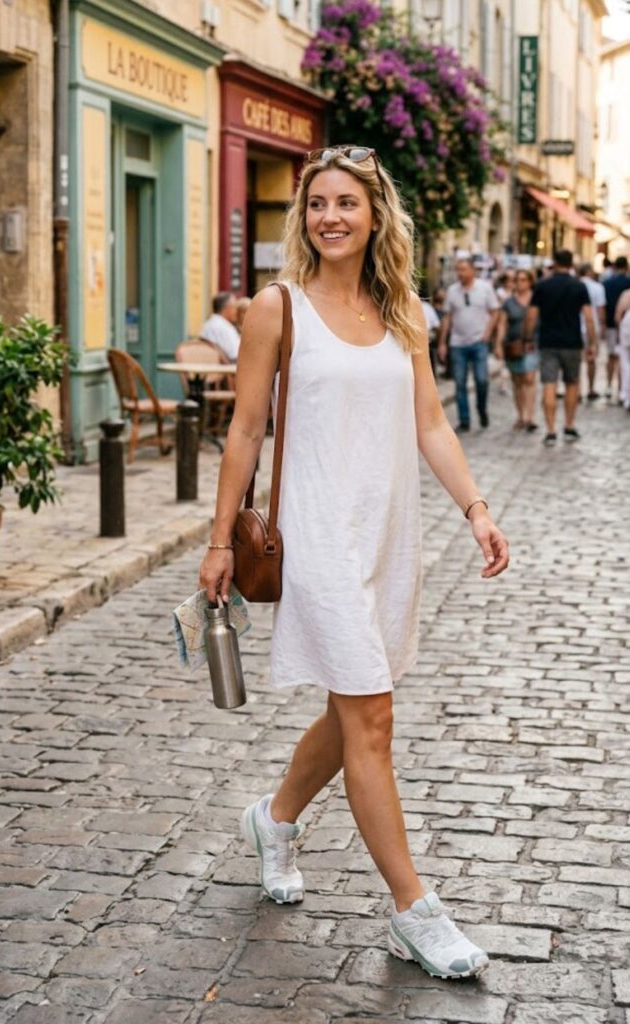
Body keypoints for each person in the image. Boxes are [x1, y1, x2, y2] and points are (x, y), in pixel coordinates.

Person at [199, 145, 509, 982]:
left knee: (353, 710)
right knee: (371, 715)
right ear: (303, 216)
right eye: (316, 204)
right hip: (317, 536)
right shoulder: (277, 307)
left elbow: (432, 426)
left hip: (386, 535)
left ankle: (274, 817)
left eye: (346, 203)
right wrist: (221, 537)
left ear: (375, 215)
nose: (329, 217)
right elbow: (245, 430)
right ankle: (416, 910)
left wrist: (475, 509)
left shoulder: (402, 305)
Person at [523, 250, 596, 446]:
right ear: (571, 263)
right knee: (572, 383)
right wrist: (592, 343)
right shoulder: (579, 286)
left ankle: (551, 430)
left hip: (548, 342)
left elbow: (531, 315)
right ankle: (569, 426)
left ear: (554, 263)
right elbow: (588, 317)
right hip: (572, 342)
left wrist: (528, 338)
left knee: (549, 384)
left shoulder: (542, 285)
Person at [437, 258, 500, 431]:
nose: (460, 273)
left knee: (481, 380)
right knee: (459, 383)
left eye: (463, 269)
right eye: (458, 270)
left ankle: (481, 409)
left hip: (479, 341)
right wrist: (443, 343)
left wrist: (488, 333)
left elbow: (495, 312)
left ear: (473, 270)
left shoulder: (485, 288)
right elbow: (447, 317)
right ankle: (464, 419)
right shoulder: (452, 291)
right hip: (458, 343)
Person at [495, 269, 539, 431]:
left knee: (529, 378)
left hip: (532, 344)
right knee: (517, 380)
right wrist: (499, 344)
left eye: (523, 280)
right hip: (513, 346)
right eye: (517, 280)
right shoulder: (508, 302)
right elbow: (502, 324)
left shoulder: (536, 299)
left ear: (530, 282)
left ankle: (530, 416)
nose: (520, 283)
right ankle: (520, 415)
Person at [603, 256, 630, 401]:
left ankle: (608, 386)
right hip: (622, 325)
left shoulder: (607, 283)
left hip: (612, 325)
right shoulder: (627, 283)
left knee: (612, 356)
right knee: (623, 359)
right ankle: (621, 390)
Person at [578, 263, 606, 401]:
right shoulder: (597, 287)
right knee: (591, 359)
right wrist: (602, 325)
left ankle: (576, 390)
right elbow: (600, 309)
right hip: (592, 326)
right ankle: (590, 388)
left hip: (576, 327)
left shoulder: (575, 286)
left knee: (577, 360)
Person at [199, 292, 240, 361]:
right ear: (227, 308)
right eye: (234, 307)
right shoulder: (223, 327)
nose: (236, 311)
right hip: (229, 368)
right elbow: (235, 355)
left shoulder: (209, 324)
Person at [615, 285, 630, 410]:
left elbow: (618, 314)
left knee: (625, 363)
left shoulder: (626, 294)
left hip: (627, 328)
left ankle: (625, 395)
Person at [420, 295, 440, 377]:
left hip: (427, 334)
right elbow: (437, 324)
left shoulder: (426, 307)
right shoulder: (427, 306)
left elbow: (436, 325)